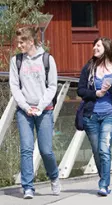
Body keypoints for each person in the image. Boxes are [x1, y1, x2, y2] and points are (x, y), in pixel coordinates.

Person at [9, 27, 61, 199]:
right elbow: (14, 86)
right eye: (18, 42)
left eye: (22, 42)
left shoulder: (47, 59)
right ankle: (28, 187)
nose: (19, 45)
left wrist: (39, 106)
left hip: (44, 110)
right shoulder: (16, 61)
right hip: (24, 111)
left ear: (31, 41)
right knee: (26, 149)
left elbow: (52, 86)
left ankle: (53, 176)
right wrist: (25, 106)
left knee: (46, 150)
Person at [77, 37, 112, 196]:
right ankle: (104, 179)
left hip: (110, 115)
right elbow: (80, 90)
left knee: (104, 149)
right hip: (90, 116)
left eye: (98, 46)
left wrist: (110, 88)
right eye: (94, 46)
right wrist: (96, 93)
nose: (94, 48)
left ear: (106, 48)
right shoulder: (89, 68)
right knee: (97, 151)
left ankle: (104, 184)